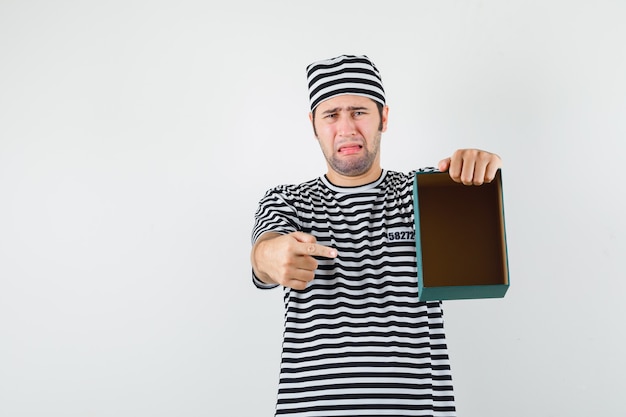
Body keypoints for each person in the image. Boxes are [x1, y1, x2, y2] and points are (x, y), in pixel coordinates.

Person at [250, 54, 502, 417]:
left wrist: (479, 168)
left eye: (359, 112)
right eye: (331, 115)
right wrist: (269, 257)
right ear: (313, 125)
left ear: (384, 117)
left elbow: (478, 208)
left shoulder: (424, 193)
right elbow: (264, 252)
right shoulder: (287, 201)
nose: (347, 128)